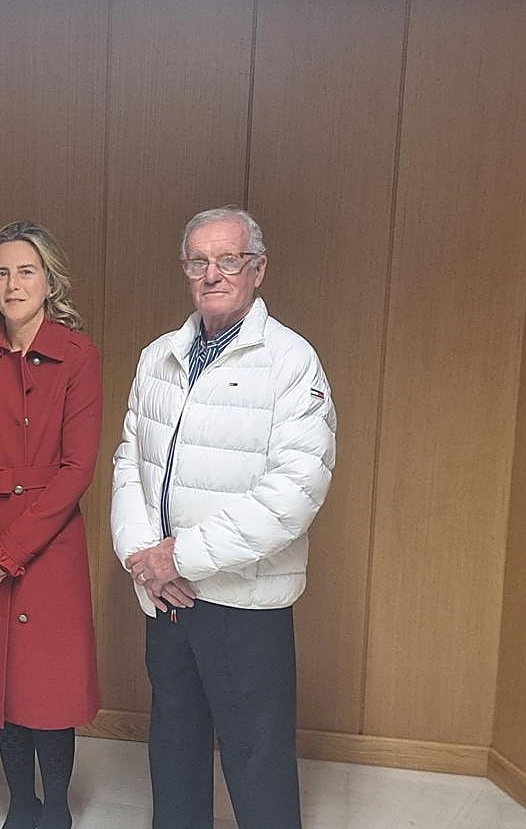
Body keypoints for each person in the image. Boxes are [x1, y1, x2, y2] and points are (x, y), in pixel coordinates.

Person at [111, 207, 336, 829]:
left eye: (228, 260)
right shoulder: (159, 357)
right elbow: (130, 461)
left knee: (257, 758)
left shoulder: (291, 362)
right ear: (186, 270)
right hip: (168, 598)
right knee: (175, 745)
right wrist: (144, 559)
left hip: (245, 603)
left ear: (257, 269)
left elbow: (294, 492)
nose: (212, 274)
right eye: (199, 261)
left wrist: (178, 557)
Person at [0, 221, 101, 829]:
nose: (12, 284)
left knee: (45, 691)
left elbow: (76, 469)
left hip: (45, 547)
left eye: (25, 271)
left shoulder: (78, 356)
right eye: (1, 272)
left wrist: (6, 554)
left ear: (49, 279)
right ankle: (21, 807)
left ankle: (54, 808)